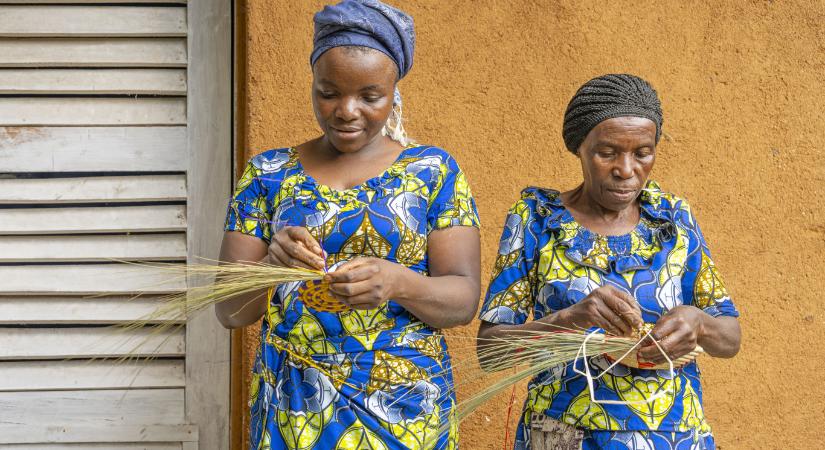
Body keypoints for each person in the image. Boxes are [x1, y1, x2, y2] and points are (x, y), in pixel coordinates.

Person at [216, 1, 481, 448]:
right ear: (313, 85)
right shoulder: (267, 174)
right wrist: (270, 265)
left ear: (394, 92)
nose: (346, 110)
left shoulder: (433, 171)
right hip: (295, 409)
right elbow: (230, 312)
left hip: (406, 410)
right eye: (328, 92)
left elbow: (463, 300)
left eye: (369, 96)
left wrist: (399, 283)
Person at [477, 74, 741, 450]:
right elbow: (490, 352)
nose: (626, 169)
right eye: (607, 152)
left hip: (673, 435)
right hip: (564, 436)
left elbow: (730, 339)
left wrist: (698, 324)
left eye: (642, 152)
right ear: (579, 148)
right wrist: (570, 318)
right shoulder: (536, 219)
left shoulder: (673, 220)